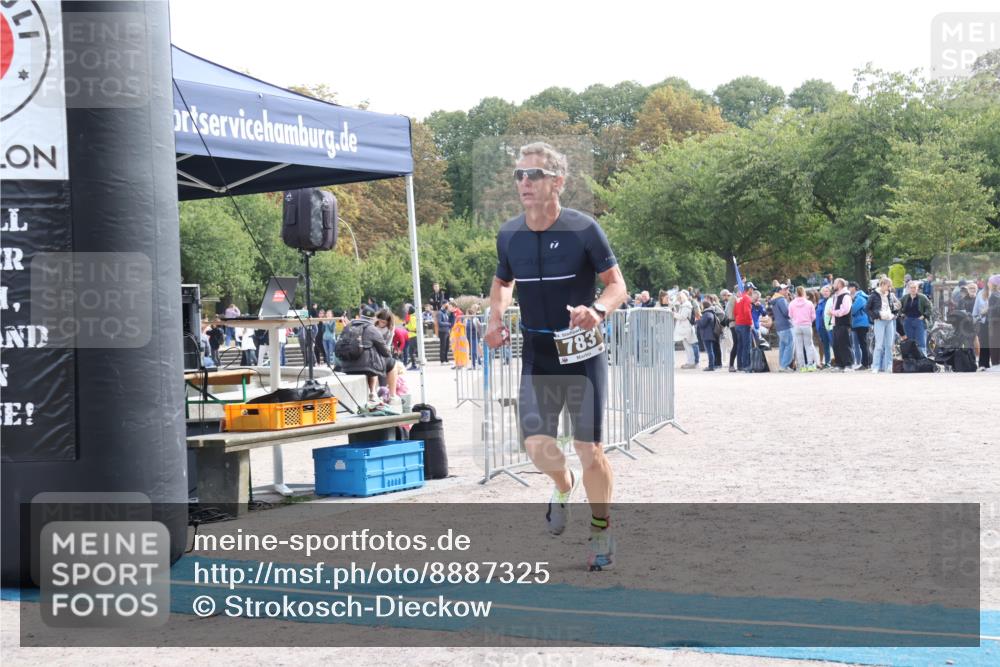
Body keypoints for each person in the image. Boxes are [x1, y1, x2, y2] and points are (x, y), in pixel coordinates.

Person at [484, 141, 627, 571]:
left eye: (534, 175)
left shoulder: (584, 229)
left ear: (557, 182)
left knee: (590, 448)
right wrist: (496, 315)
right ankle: (562, 486)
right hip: (538, 351)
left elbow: (617, 285)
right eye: (519, 175)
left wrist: (598, 309)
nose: (524, 182)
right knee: (536, 446)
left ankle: (601, 528)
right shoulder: (509, 234)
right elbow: (502, 281)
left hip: (581, 352)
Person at [336, 307, 402, 412]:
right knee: (390, 364)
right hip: (366, 365)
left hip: (345, 366)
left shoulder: (350, 325)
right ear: (374, 318)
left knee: (372, 363)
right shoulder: (372, 329)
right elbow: (385, 351)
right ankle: (392, 396)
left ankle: (373, 393)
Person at [865, 277, 899, 373]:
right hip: (879, 321)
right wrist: (875, 316)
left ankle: (889, 366)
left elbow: (894, 306)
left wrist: (894, 315)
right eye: (888, 286)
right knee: (879, 345)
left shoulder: (890, 295)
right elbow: (867, 308)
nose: (889, 288)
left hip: (889, 320)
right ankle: (875, 366)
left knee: (889, 345)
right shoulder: (874, 295)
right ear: (882, 284)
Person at [899, 280, 933, 356]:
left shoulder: (922, 297)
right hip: (908, 321)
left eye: (914, 287)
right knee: (910, 342)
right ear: (908, 289)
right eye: (911, 288)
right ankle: (912, 360)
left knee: (921, 342)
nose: (913, 289)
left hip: (919, 321)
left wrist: (924, 315)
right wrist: (902, 314)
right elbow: (898, 306)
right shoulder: (905, 298)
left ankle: (923, 359)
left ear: (917, 288)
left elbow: (929, 307)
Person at [788, 285, 818, 372]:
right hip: (807, 326)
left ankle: (802, 366)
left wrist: (796, 320)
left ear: (796, 293)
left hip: (797, 326)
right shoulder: (809, 303)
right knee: (808, 346)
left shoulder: (792, 303)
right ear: (804, 292)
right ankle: (810, 365)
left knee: (799, 347)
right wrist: (808, 321)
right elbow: (813, 316)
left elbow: (790, 315)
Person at [828, 278, 854, 372]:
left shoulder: (846, 296)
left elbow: (845, 310)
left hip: (843, 323)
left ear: (839, 284)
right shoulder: (836, 296)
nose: (833, 285)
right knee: (836, 345)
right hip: (836, 323)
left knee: (844, 344)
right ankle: (839, 364)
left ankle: (848, 364)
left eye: (834, 283)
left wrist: (833, 312)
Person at [768, 285, 794, 371]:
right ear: (779, 291)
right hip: (786, 325)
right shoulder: (781, 300)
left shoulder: (774, 300)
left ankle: (782, 365)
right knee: (789, 345)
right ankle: (784, 366)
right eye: (785, 289)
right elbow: (786, 313)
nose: (787, 291)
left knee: (783, 346)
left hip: (779, 326)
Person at [671, 291, 698, 369]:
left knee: (688, 346)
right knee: (688, 346)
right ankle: (690, 362)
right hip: (685, 328)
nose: (678, 300)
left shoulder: (686, 306)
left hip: (686, 328)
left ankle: (691, 362)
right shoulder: (685, 305)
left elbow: (683, 317)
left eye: (679, 298)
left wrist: (673, 314)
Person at [848, 282, 871, 370]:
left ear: (854, 288)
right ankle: (864, 362)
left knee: (863, 344)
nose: (849, 289)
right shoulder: (858, 297)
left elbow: (853, 310)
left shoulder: (860, 298)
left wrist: (850, 302)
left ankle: (866, 363)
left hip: (861, 323)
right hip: (857, 323)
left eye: (850, 287)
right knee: (862, 344)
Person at [732, 284, 753, 372]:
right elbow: (747, 311)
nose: (753, 291)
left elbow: (735, 312)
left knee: (740, 345)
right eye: (752, 289)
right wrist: (750, 323)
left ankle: (740, 365)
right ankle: (746, 365)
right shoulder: (747, 298)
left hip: (738, 324)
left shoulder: (738, 298)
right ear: (750, 289)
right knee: (746, 346)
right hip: (744, 324)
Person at [973, 280, 992, 369]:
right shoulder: (980, 293)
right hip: (984, 321)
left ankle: (996, 363)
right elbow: (976, 308)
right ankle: (983, 364)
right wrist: (974, 318)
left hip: (996, 321)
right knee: (984, 343)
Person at [696, 300, 719, 370]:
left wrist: (697, 319)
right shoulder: (710, 313)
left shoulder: (706, 314)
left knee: (710, 351)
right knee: (711, 351)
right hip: (710, 334)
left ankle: (711, 366)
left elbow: (702, 324)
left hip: (707, 335)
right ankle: (712, 365)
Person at [404, 305, 419, 370]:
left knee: (415, 352)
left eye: (407, 310)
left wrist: (406, 326)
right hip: (411, 336)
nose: (406, 311)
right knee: (411, 352)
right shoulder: (412, 316)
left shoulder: (412, 317)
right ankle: (414, 364)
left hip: (413, 336)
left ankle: (416, 365)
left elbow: (413, 327)